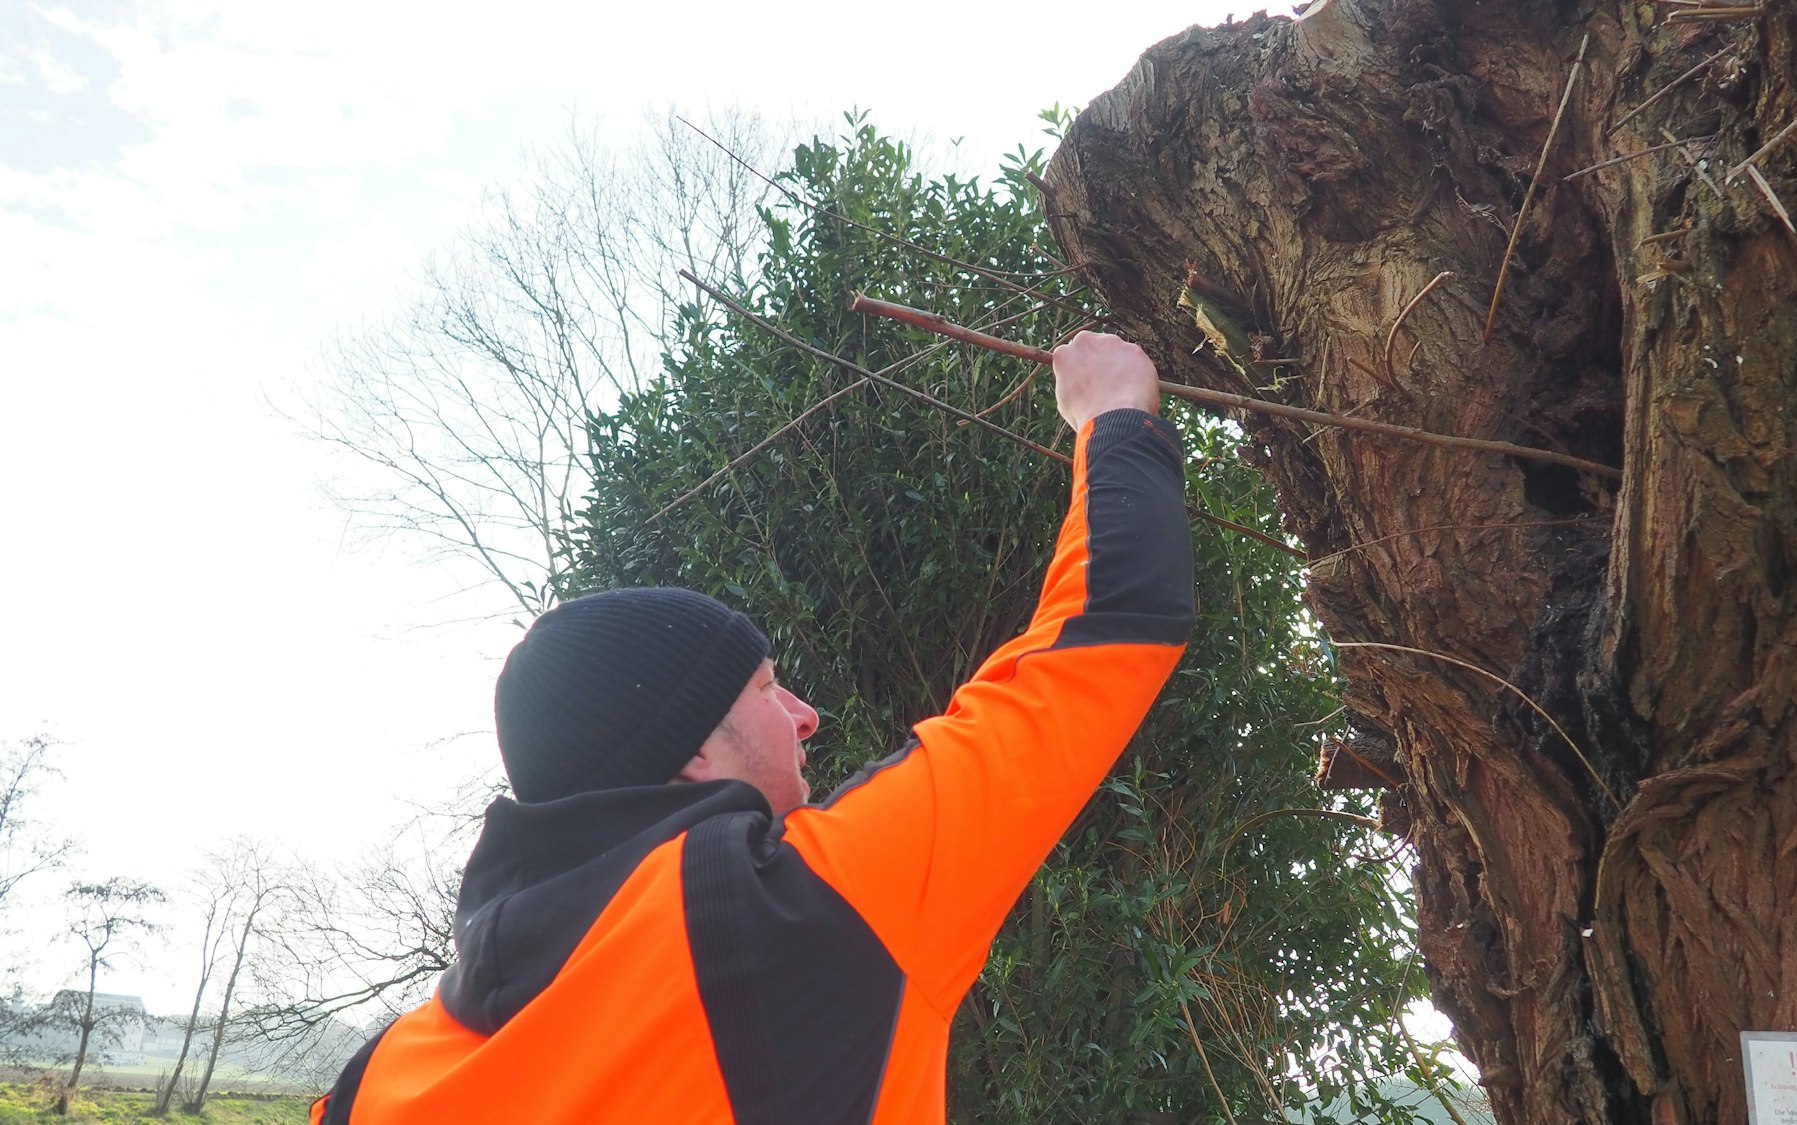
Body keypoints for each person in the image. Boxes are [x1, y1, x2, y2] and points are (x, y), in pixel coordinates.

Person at [311, 331, 1195, 1124]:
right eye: (769, 688)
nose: (807, 715)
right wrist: (1113, 414)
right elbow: (1102, 640)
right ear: (693, 748)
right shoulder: (791, 909)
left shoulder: (373, 1083)